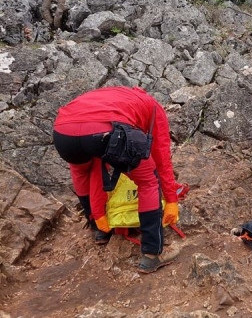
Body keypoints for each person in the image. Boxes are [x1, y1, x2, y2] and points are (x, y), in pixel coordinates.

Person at [53, 86, 184, 274]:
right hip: (103, 131)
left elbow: (100, 160)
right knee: (148, 181)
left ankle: (99, 229)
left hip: (63, 132)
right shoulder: (153, 106)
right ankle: (151, 255)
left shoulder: (112, 95)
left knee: (82, 171)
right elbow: (160, 155)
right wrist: (171, 199)